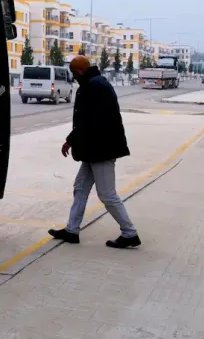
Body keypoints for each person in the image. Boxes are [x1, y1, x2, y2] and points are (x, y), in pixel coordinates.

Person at [48, 55, 141, 249]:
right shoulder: (94, 84)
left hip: (101, 149)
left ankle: (130, 233)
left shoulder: (94, 87)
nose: (73, 78)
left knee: (107, 194)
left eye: (74, 74)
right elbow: (86, 121)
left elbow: (89, 121)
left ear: (80, 71)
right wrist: (72, 141)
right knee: (80, 187)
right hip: (94, 149)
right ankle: (71, 230)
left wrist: (71, 140)